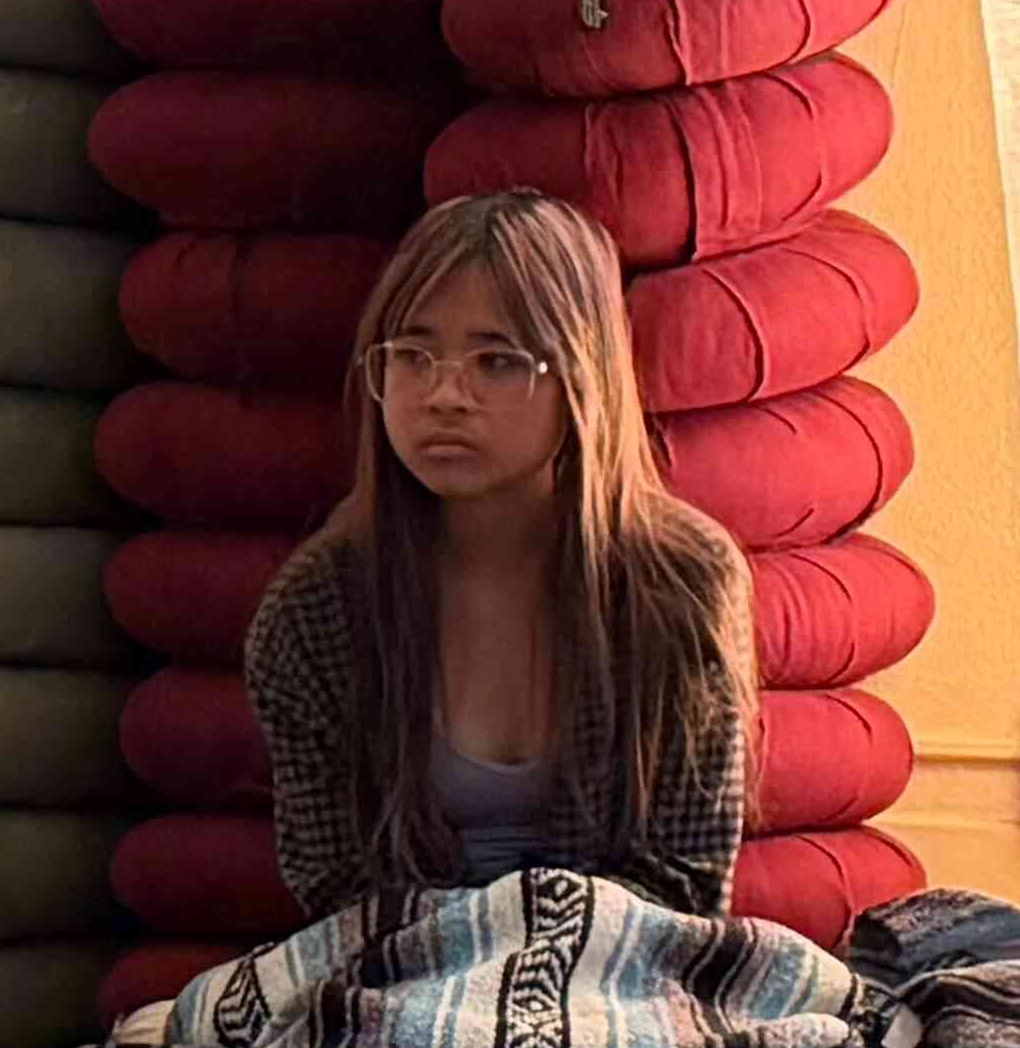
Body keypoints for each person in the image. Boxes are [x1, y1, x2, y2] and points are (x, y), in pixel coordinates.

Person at [248, 189, 754, 921]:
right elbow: (332, 887)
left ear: (582, 376)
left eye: (497, 361)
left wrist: (534, 974)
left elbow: (686, 880)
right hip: (394, 982)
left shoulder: (683, 586)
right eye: (413, 356)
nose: (445, 395)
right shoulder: (314, 610)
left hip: (627, 979)